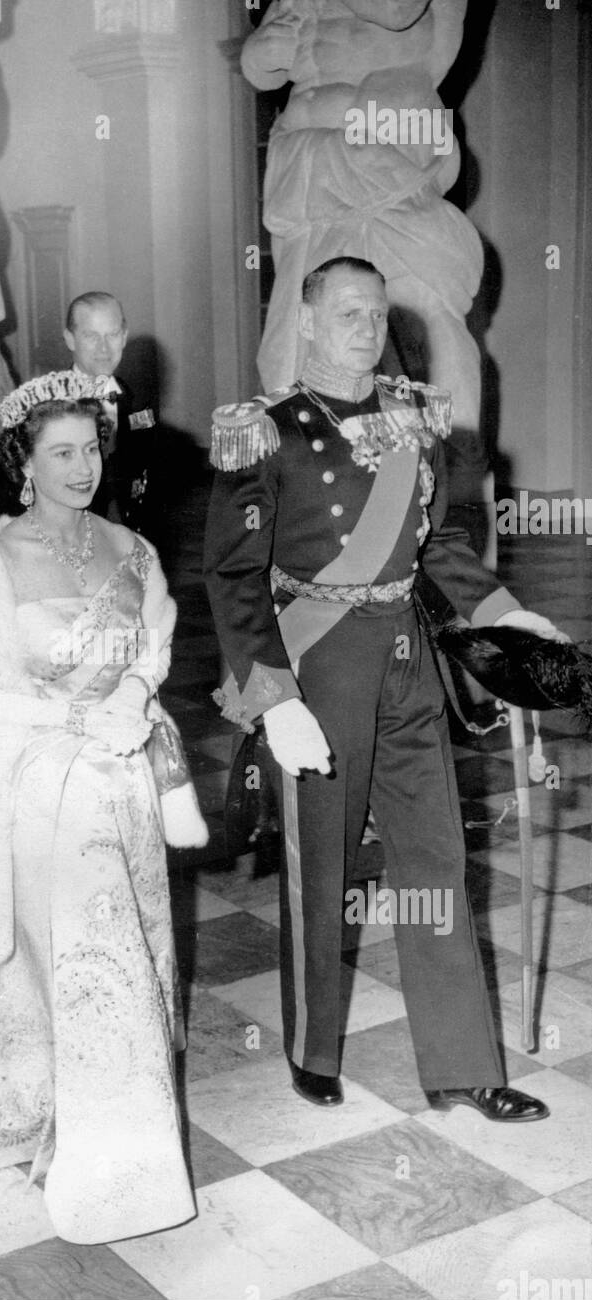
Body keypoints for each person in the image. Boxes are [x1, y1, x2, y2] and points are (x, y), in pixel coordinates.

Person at [204, 256, 564, 1122]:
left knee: (437, 857)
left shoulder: (411, 423)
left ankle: (463, 1066)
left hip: (407, 658)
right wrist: (274, 697)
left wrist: (507, 614)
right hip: (320, 661)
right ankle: (311, 1047)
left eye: (375, 314)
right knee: (321, 862)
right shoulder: (268, 430)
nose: (365, 328)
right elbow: (234, 575)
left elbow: (436, 548)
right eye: (347, 313)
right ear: (309, 318)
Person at [0, 370, 205, 1244]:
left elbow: (155, 647)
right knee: (71, 964)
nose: (81, 466)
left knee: (129, 958)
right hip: (38, 786)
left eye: (90, 448)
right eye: (59, 452)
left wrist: (133, 698)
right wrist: (67, 712)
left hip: (124, 781)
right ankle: (97, 1166)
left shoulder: (130, 549)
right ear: (23, 464)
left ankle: (110, 1144)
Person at [64, 291, 159, 536]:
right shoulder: (46, 406)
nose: (104, 348)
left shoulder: (137, 401)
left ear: (124, 337)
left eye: (113, 335)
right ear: (70, 339)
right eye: (91, 336)